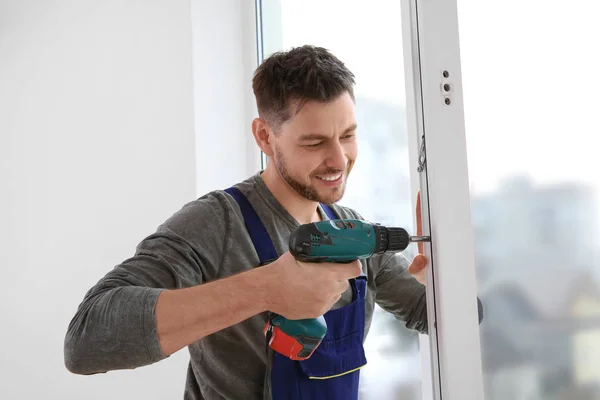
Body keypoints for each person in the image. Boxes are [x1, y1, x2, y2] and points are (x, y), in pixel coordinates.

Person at [64, 45, 482, 400]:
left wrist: (449, 286)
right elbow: (85, 341)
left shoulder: (354, 232)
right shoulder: (218, 224)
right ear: (265, 136)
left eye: (348, 135)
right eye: (314, 142)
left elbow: (450, 319)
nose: (339, 160)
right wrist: (266, 288)